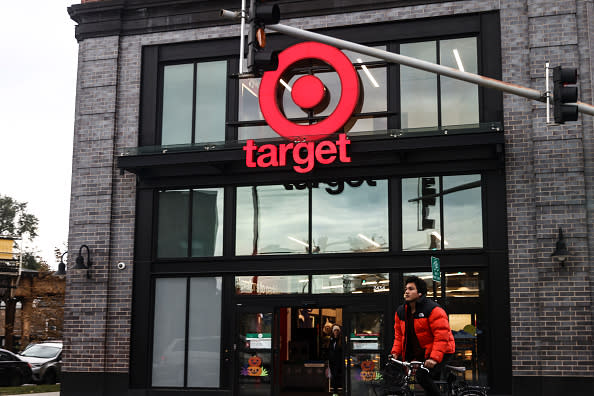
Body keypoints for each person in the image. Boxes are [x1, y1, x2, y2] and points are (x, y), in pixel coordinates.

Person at [390, 276, 455, 396]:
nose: (407, 292)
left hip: (442, 350)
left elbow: (441, 336)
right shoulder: (401, 312)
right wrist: (395, 353)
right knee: (406, 378)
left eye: (411, 289)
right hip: (421, 351)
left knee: (422, 376)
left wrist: (434, 358)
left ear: (420, 293)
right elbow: (399, 336)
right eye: (406, 289)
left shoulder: (433, 310)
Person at [328, 324, 343, 395]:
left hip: (338, 361)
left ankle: (336, 391)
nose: (336, 332)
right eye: (335, 330)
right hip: (332, 361)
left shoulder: (340, 341)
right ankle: (335, 391)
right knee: (333, 376)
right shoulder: (331, 340)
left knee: (336, 375)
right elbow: (329, 350)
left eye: (337, 331)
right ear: (333, 332)